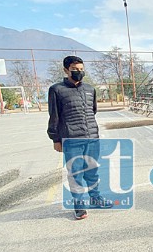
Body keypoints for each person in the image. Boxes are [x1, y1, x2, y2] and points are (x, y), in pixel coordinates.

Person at [48, 55, 113, 220]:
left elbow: (93, 110)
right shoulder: (57, 90)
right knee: (75, 173)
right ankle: (79, 206)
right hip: (72, 139)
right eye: (75, 70)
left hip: (92, 136)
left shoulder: (90, 89)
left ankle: (95, 199)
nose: (79, 72)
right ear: (66, 70)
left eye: (81, 70)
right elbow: (54, 116)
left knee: (92, 170)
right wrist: (55, 139)